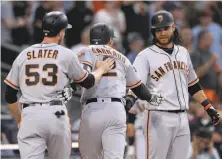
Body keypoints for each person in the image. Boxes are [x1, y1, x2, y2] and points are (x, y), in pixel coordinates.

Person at [4, 11, 114, 159]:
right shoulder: (66, 54)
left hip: (30, 115)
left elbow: (9, 95)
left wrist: (19, 119)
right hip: (55, 114)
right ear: (61, 32)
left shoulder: (24, 54)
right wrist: (101, 69)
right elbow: (87, 82)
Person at [126, 10, 220, 159]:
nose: (162, 33)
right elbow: (136, 84)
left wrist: (209, 107)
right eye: (158, 30)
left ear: (173, 28)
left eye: (166, 28)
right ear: (153, 32)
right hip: (158, 116)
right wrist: (129, 100)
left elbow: (193, 85)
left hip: (183, 117)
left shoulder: (183, 52)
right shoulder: (145, 55)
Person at [76, 23, 164, 159]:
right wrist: (151, 97)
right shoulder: (122, 57)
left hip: (93, 108)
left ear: (91, 38)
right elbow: (138, 87)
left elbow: (83, 79)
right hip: (116, 109)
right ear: (110, 40)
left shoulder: (85, 51)